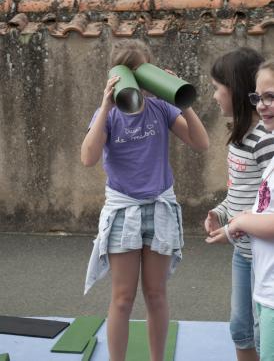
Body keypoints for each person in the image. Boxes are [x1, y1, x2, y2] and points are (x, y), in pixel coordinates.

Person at [81, 39, 209, 361]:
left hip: (159, 207)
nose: (137, 83)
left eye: (143, 73)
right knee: (122, 298)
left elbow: (201, 142)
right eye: (130, 74)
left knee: (156, 295)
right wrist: (106, 106)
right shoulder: (106, 115)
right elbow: (87, 158)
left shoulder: (161, 108)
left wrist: (181, 100)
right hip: (124, 210)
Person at [204, 47, 274, 361]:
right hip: (242, 254)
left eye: (218, 89)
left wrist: (233, 229)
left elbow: (266, 203)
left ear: (236, 91)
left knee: (262, 333)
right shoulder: (239, 136)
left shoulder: (265, 140)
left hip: (260, 255)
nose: (214, 96)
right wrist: (221, 212)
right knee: (240, 328)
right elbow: (243, 192)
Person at [226, 58, 274, 361]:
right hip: (266, 289)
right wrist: (233, 223)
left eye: (271, 96)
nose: (262, 105)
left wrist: (240, 220)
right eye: (259, 97)